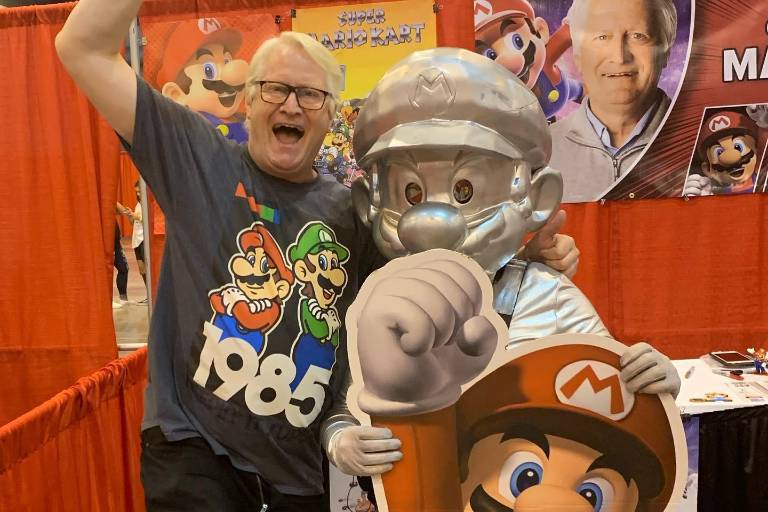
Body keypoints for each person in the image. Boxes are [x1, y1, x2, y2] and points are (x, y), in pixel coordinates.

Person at [56, 2, 578, 508]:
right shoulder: (199, 158)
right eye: (275, 88)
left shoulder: (352, 214)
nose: (291, 105)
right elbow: (82, 48)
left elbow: (434, 283)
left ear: (330, 116)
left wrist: (528, 261)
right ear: (249, 101)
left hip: (301, 475)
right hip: (197, 453)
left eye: (310, 94)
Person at [345, 48, 681, 510]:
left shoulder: (546, 294)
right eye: (411, 193)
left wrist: (654, 387)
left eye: (464, 190)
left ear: (538, 198)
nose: (431, 221)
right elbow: (347, 394)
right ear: (369, 204)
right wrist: (341, 437)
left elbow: (608, 385)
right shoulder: (379, 302)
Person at [548, 0, 678, 202]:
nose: (619, 57)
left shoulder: (701, 143)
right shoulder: (538, 153)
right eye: (602, 37)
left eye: (637, 36)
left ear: (666, 51)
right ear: (578, 56)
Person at [120, 181, 148, 301]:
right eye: (136, 192)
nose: (137, 194)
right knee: (142, 269)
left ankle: (153, 295)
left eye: (139, 191)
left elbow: (146, 219)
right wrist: (130, 215)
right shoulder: (138, 204)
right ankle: (149, 294)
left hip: (144, 239)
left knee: (148, 269)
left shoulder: (148, 203)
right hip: (137, 240)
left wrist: (135, 215)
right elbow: (134, 223)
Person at [113, 207, 130, 308]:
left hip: (116, 244)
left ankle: (123, 298)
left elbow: (121, 210)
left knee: (124, 268)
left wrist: (127, 212)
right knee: (104, 272)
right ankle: (107, 299)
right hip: (106, 244)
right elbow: (119, 208)